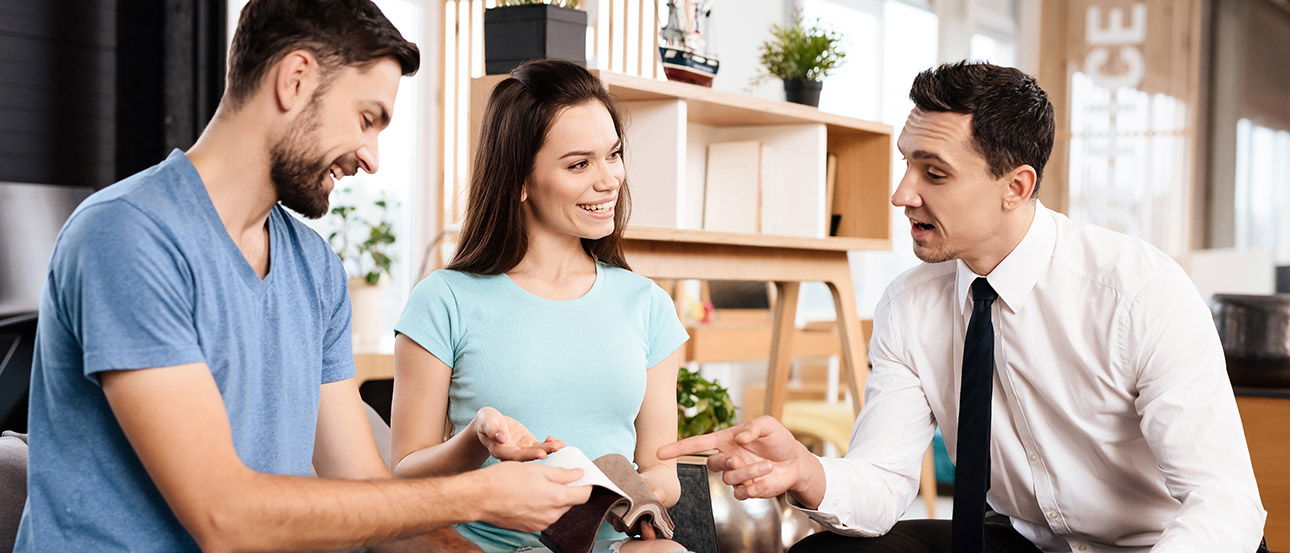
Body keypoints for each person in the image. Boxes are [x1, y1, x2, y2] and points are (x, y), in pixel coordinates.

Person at [15, 2, 591, 552]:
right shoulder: (129, 235)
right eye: (367, 119)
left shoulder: (312, 267)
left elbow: (368, 500)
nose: (371, 158)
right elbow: (224, 516)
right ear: (295, 80)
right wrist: (474, 496)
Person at [660, 61, 1267, 553]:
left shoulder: (1136, 292)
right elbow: (881, 482)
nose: (902, 195)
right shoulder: (910, 303)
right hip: (1029, 542)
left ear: (1017, 187)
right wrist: (806, 471)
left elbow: (1224, 502)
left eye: (934, 173)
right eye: (906, 163)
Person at [389, 59, 691, 553]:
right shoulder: (444, 300)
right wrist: (474, 439)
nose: (610, 179)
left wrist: (627, 493)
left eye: (612, 154)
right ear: (520, 180)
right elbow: (405, 472)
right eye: (579, 164)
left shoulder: (647, 305)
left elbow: (663, 470)